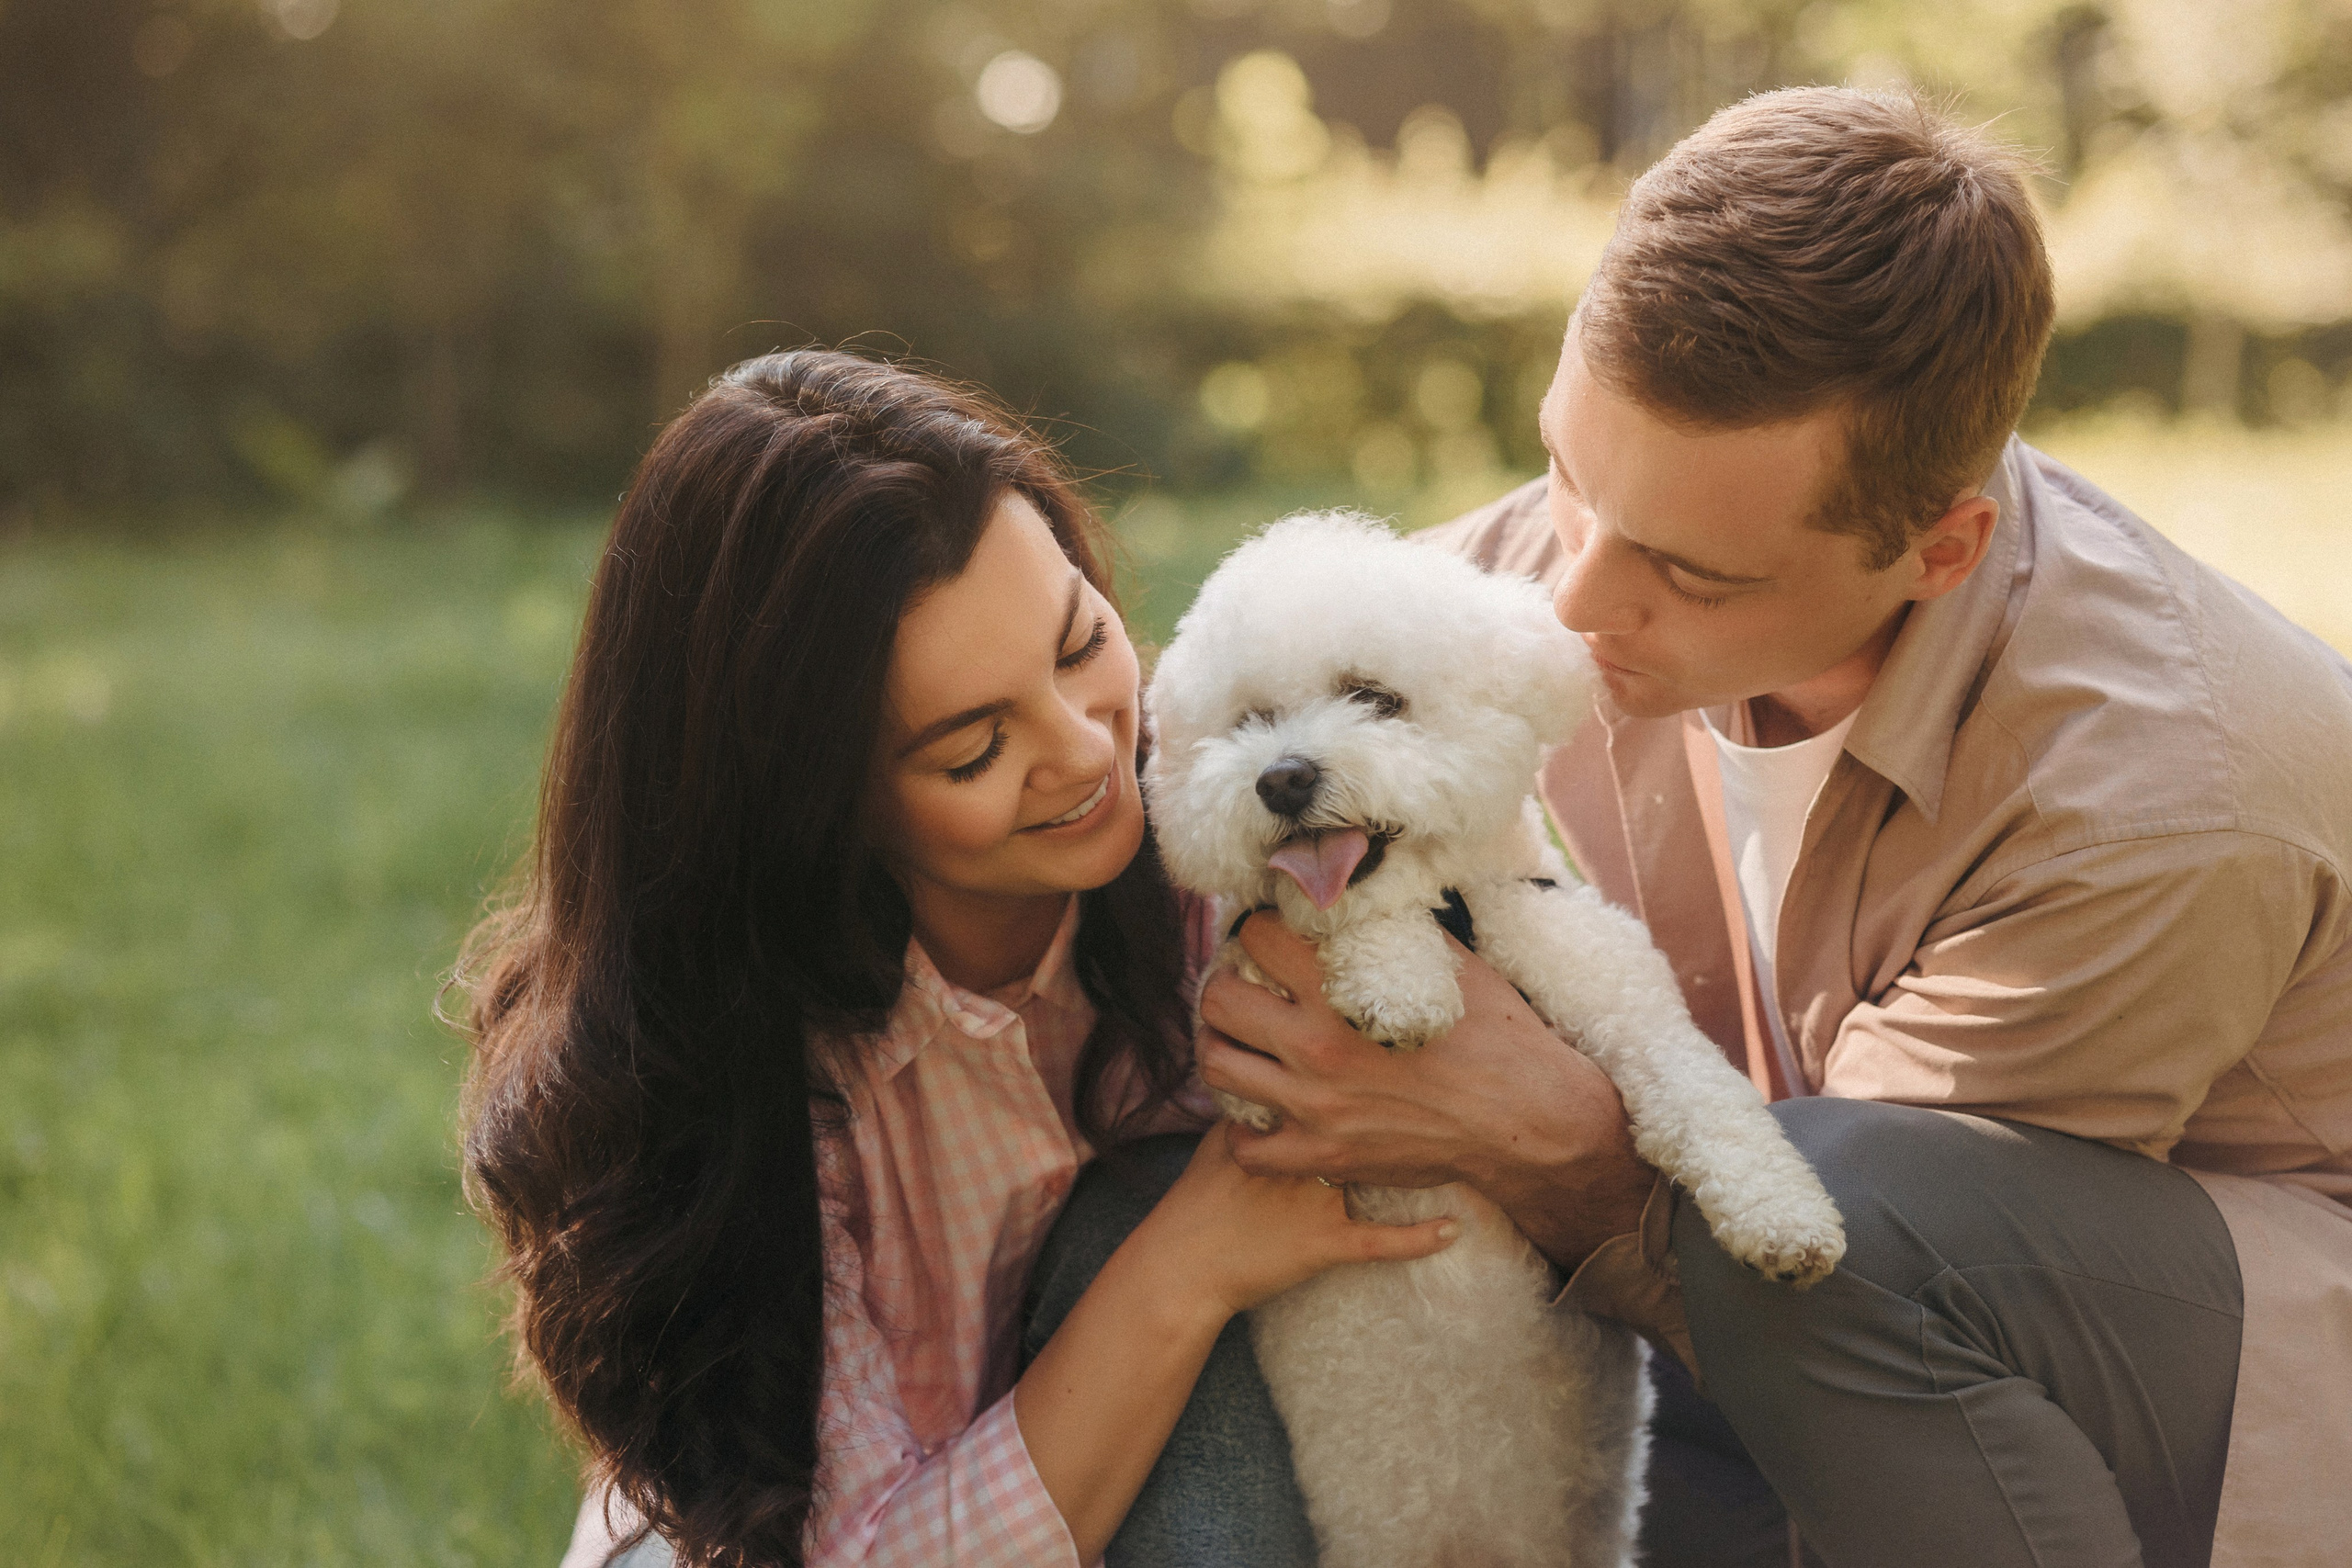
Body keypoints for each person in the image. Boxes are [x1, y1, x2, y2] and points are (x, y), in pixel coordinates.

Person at [1181, 87, 2352, 1568]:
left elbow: (1838, 1294)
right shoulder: (1528, 606)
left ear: (1940, 547)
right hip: (1805, 1374)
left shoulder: (2158, 800)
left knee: (1843, 1214)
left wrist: (1541, 1136)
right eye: (1568, 474)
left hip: (2223, 1400)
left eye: (1689, 572)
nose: (1574, 597)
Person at [452, 350, 1458, 1568]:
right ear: (815, 802)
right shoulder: (740, 1080)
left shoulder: (1236, 840)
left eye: (1081, 642)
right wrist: (1185, 1263)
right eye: (975, 747)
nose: (1087, 753)